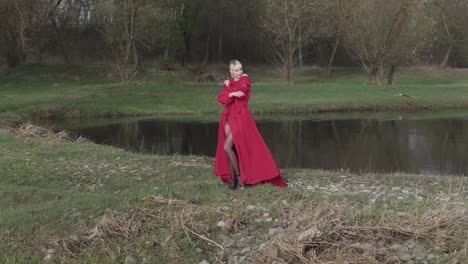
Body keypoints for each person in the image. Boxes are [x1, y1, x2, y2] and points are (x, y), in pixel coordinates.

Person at [214, 59, 287, 189]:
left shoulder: (245, 79)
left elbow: (242, 92)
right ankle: (233, 180)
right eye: (236, 70)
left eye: (241, 69)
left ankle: (239, 178)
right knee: (231, 148)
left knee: (227, 147)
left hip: (240, 117)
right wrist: (231, 91)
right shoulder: (229, 83)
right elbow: (221, 98)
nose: (240, 72)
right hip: (228, 116)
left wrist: (229, 90)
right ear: (231, 70)